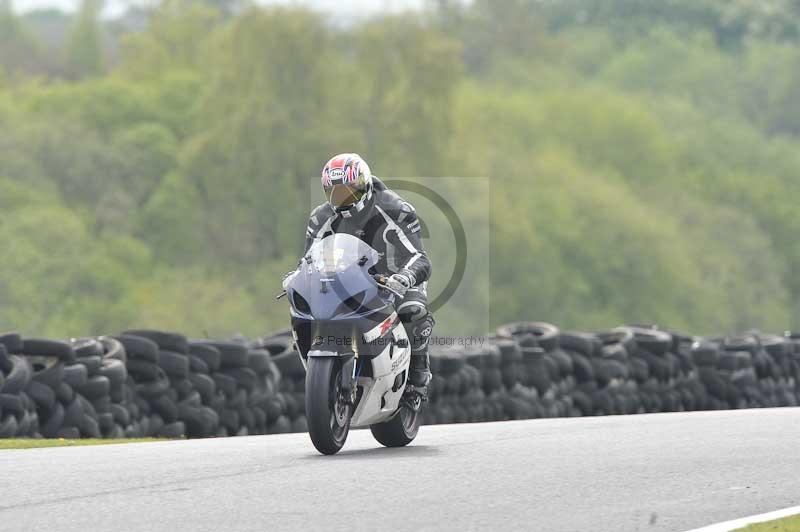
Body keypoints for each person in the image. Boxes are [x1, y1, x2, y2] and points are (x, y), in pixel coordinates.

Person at [298, 153, 433, 389]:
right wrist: (299, 277)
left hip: (395, 277)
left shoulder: (396, 209)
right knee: (308, 310)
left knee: (412, 311)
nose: (344, 198)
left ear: (365, 184)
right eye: (336, 193)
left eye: (350, 191)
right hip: (348, 280)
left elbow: (419, 257)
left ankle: (418, 370)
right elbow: (309, 259)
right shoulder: (320, 217)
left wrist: (405, 277)